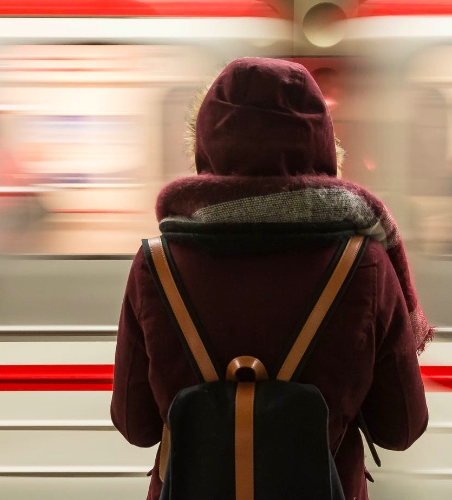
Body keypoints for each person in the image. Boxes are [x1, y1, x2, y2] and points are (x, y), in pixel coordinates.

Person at [111, 57, 430, 500]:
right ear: (321, 144)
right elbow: (402, 427)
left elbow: (135, 425)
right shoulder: (366, 264)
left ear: (206, 144)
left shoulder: (156, 264)